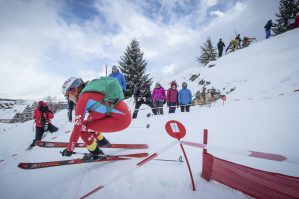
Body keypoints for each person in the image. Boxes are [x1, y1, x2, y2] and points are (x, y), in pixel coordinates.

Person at [61, 77, 131, 160]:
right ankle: (102, 141)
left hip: (121, 120)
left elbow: (77, 127)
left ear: (73, 91)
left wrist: (70, 149)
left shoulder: (83, 99)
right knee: (88, 123)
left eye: (67, 95)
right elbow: (93, 116)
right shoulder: (91, 90)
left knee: (82, 128)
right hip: (124, 115)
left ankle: (96, 153)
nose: (68, 99)